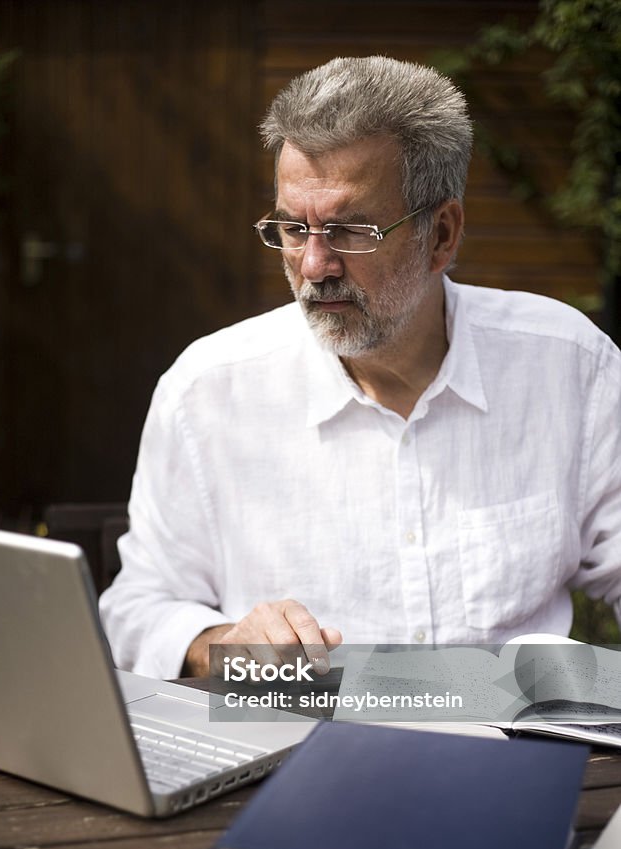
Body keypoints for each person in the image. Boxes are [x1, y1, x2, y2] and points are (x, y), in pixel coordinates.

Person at [99, 55, 621, 680]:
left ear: (442, 234)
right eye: (294, 228)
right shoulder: (207, 390)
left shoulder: (569, 367)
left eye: (350, 230)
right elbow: (135, 609)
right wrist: (223, 643)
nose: (314, 266)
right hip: (290, 751)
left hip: (515, 747)